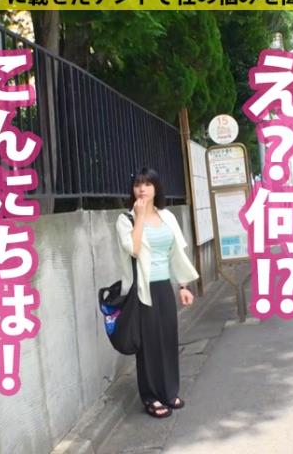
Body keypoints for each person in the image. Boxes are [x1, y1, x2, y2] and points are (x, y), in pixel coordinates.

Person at [116, 167, 200, 419]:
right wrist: (140, 217)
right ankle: (150, 397)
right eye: (137, 184)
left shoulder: (167, 216)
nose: (142, 189)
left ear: (156, 188)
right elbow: (133, 249)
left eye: (147, 184)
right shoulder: (126, 220)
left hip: (164, 287)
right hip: (143, 290)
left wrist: (183, 285)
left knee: (168, 340)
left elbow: (176, 254)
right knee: (149, 345)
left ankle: (169, 391)